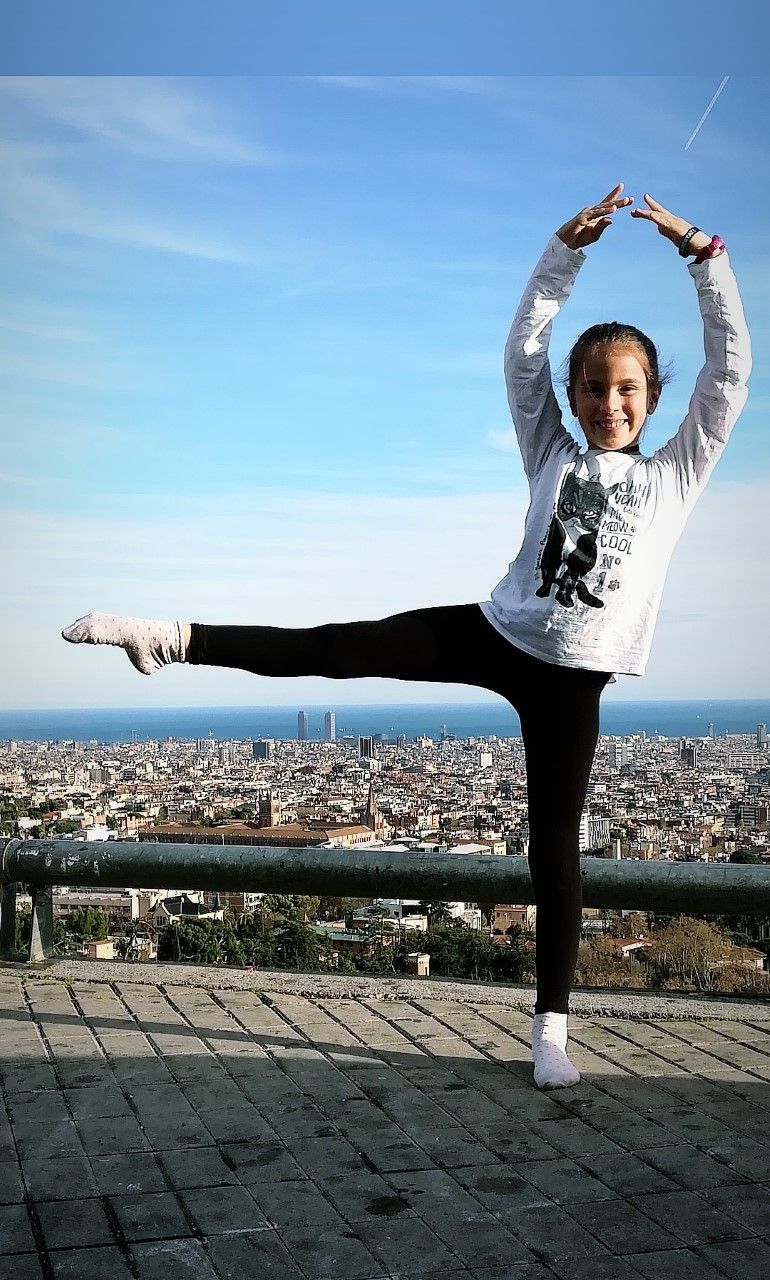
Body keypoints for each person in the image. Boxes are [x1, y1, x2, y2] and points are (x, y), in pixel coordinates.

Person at [62, 184, 751, 1089]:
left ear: (653, 399)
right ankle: (168, 636)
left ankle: (551, 1031)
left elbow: (730, 372)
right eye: (594, 387)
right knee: (336, 646)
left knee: (556, 848)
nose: (609, 402)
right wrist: (561, 254)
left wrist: (704, 254)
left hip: (573, 677)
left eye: (627, 389)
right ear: (575, 397)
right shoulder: (551, 449)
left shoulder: (676, 475)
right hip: (496, 631)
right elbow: (522, 355)